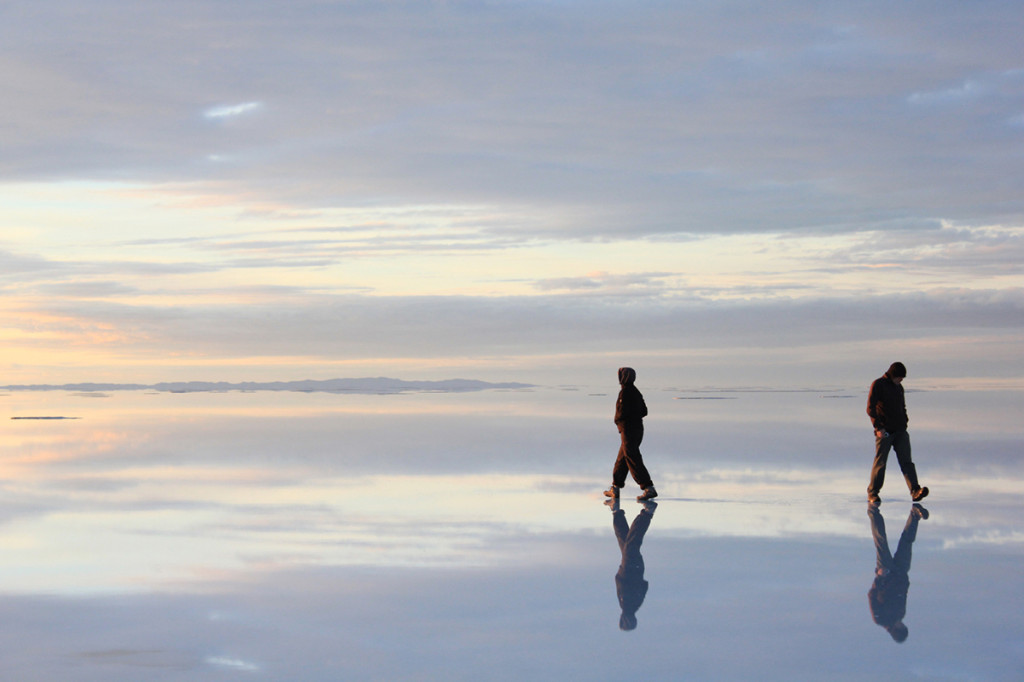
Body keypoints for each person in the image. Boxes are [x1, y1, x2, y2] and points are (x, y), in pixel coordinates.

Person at [866, 362, 928, 505]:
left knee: (907, 462)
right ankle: (873, 493)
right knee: (880, 463)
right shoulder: (878, 384)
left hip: (900, 431)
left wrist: (905, 422)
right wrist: (878, 427)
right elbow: (870, 408)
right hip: (885, 432)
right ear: (893, 375)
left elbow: (902, 407)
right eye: (900, 377)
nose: (901, 380)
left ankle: (915, 491)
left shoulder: (899, 388)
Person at [867, 503, 928, 642]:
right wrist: (905, 580)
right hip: (901, 573)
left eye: (901, 627)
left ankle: (873, 511)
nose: (902, 623)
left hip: (886, 573)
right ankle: (915, 514)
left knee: (881, 540)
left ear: (896, 630)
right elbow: (903, 595)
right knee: (907, 542)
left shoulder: (880, 619)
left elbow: (871, 595)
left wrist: (879, 578)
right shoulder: (901, 614)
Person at [604, 367, 657, 502]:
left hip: (629, 431)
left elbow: (622, 414)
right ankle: (615, 488)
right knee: (622, 459)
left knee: (632, 457)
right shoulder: (635, 392)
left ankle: (648, 487)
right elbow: (644, 411)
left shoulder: (626, 393)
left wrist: (621, 421)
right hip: (636, 429)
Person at [607, 498, 657, 630]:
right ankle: (647, 512)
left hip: (631, 569)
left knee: (623, 539)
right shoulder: (629, 606)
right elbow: (626, 585)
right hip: (631, 569)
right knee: (632, 542)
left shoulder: (631, 606)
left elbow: (644, 586)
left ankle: (615, 510)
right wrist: (625, 575)